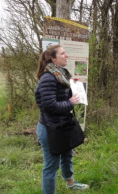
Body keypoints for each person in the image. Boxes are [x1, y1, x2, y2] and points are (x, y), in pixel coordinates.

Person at [35, 45, 89, 193]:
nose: (66, 56)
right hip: (50, 128)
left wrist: (73, 86)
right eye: (63, 53)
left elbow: (61, 95)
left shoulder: (60, 75)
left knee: (67, 155)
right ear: (53, 59)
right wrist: (70, 103)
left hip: (61, 125)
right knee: (51, 166)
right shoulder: (48, 78)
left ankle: (71, 183)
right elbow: (50, 106)